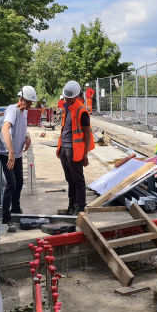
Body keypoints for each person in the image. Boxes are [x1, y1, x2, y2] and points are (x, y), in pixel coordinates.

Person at [0, 86, 37, 231]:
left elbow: (20, 128)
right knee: (11, 184)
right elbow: (5, 128)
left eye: (31, 103)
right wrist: (11, 153)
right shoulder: (12, 110)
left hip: (17, 153)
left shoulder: (24, 111)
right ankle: (6, 218)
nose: (30, 106)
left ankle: (16, 208)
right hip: (7, 154)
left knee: (19, 182)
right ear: (21, 99)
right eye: (28, 102)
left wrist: (26, 138)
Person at [57, 80, 95, 215]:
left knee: (78, 180)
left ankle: (80, 207)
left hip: (75, 151)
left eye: (69, 97)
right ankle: (71, 207)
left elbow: (87, 135)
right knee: (70, 179)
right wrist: (60, 148)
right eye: (66, 96)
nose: (66, 99)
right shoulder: (67, 108)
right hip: (65, 149)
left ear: (76, 96)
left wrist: (85, 155)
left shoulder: (82, 111)